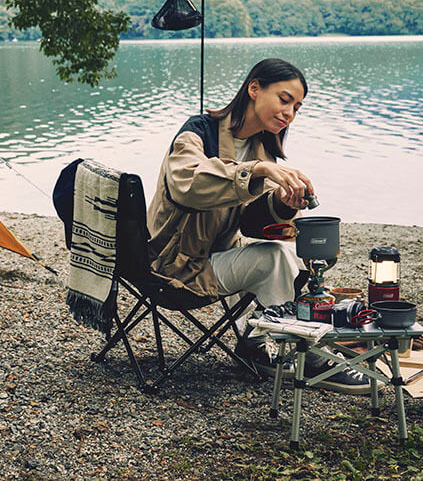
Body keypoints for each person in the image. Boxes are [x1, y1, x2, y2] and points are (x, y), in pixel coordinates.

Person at [146, 58, 369, 394]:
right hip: (177, 265)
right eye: (284, 99)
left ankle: (270, 339)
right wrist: (258, 171)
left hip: (220, 254)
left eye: (297, 107)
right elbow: (187, 186)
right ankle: (278, 349)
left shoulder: (262, 149)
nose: (290, 113)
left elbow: (252, 222)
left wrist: (282, 204)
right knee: (275, 259)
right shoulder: (198, 132)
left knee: (300, 256)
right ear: (254, 89)